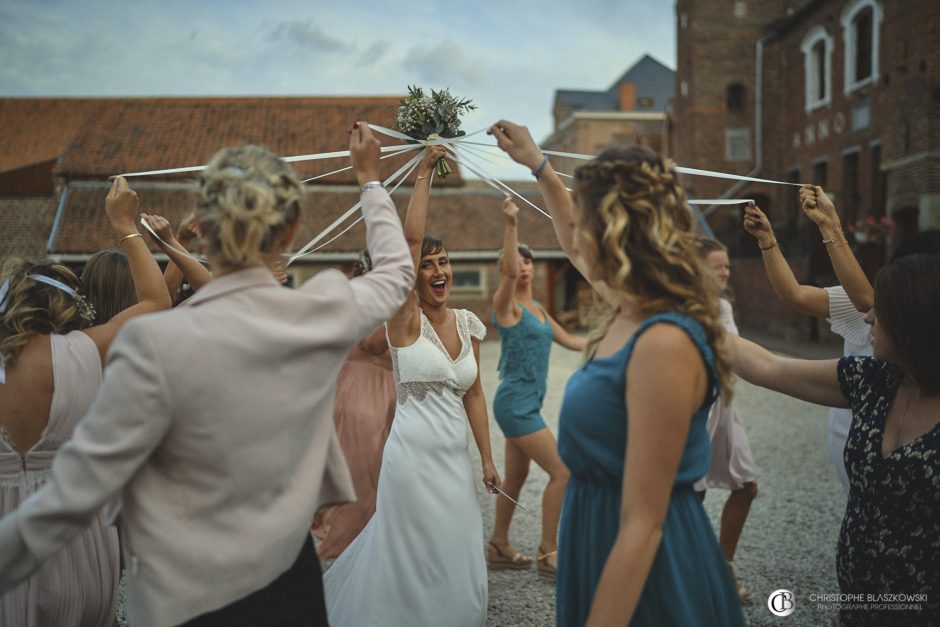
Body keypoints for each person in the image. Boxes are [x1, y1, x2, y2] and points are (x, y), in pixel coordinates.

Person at [0, 122, 415, 627]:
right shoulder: (317, 311)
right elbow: (396, 272)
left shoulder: (153, 342)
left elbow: (76, 490)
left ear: (206, 230)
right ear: (288, 232)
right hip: (287, 577)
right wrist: (369, 178)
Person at [490, 119, 745, 626]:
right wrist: (539, 165)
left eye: (585, 220)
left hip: (641, 555)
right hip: (597, 532)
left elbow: (644, 524)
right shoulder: (628, 306)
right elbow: (570, 239)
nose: (577, 235)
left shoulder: (665, 340)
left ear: (615, 230)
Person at [324, 146, 500, 627]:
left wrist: (486, 457)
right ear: (413, 274)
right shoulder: (404, 321)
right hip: (410, 462)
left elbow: (475, 394)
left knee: (456, 552)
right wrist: (423, 172)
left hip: (453, 463)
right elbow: (408, 238)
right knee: (409, 557)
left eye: (444, 262)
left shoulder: (468, 324)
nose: (439, 271)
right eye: (428, 264)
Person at [730, 253, 940, 627]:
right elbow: (768, 366)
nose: (868, 318)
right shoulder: (875, 380)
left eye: (881, 310)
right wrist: (687, 315)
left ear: (913, 321)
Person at [0, 176, 171, 627]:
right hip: (72, 529)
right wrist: (125, 227)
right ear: (63, 307)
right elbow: (157, 301)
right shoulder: (82, 351)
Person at [743, 189, 874, 493]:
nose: (872, 319)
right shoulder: (863, 306)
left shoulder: (879, 306)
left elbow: (867, 300)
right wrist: (766, 240)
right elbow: (794, 293)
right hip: (845, 435)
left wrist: (831, 225)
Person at [487, 196, 582, 580]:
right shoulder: (506, 306)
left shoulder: (540, 310)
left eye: (528, 260)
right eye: (517, 260)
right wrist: (511, 225)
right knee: (564, 473)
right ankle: (548, 551)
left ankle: (498, 545)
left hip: (529, 404)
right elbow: (508, 275)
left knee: (516, 478)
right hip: (514, 405)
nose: (523, 265)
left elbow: (575, 342)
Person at [312, 250, 397, 560]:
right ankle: (339, 557)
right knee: (364, 480)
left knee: (373, 479)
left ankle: (366, 557)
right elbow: (374, 343)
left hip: (375, 397)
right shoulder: (368, 305)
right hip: (365, 400)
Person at [693, 237, 759, 603]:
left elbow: (737, 357)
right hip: (695, 410)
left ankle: (724, 563)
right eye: (716, 265)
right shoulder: (681, 309)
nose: (724, 272)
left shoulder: (722, 308)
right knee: (693, 493)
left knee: (747, 486)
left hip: (724, 408)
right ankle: (691, 571)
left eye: (727, 266)